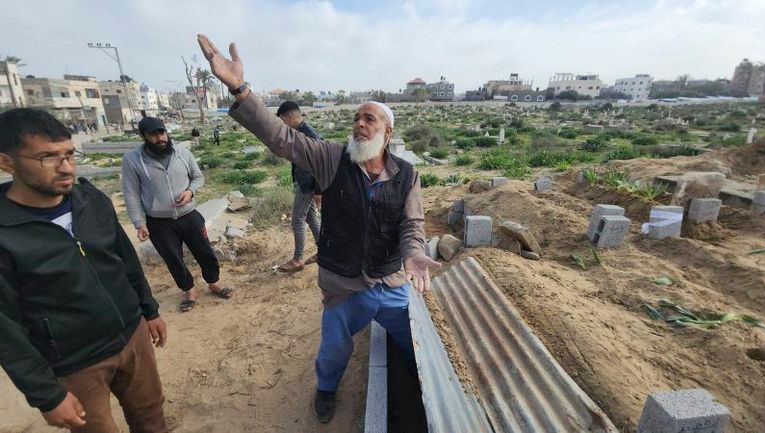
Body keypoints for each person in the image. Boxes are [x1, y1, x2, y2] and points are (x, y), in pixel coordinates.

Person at [198, 34, 440, 423]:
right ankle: (326, 390)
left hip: (391, 280)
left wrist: (413, 253)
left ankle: (424, 383)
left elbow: (412, 224)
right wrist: (240, 89)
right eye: (356, 118)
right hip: (344, 282)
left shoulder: (407, 175)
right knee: (333, 349)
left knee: (412, 343)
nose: (359, 124)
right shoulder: (331, 157)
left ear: (387, 132)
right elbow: (281, 138)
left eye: (369, 119)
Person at [0, 108, 168, 433]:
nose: (65, 168)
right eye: (48, 157)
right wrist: (47, 395)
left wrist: (149, 310)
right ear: (7, 162)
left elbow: (126, 260)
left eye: (69, 154)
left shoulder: (91, 200)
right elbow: (5, 329)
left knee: (151, 417)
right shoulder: (6, 234)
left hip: (132, 337)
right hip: (76, 362)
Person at [121, 116, 234, 313]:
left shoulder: (182, 152)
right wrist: (139, 223)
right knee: (173, 258)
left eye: (162, 132)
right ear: (143, 136)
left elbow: (198, 177)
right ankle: (189, 290)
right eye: (153, 135)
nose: (160, 138)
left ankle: (213, 283)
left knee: (205, 252)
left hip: (189, 215)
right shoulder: (132, 160)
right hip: (158, 222)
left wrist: (190, 192)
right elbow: (131, 193)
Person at [276, 100, 322, 273]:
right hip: (305, 183)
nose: (283, 125)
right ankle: (324, 250)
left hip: (308, 185)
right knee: (311, 218)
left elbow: (319, 164)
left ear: (290, 117)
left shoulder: (309, 135)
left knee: (297, 220)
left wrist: (318, 190)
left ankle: (298, 259)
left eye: (283, 121)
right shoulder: (300, 132)